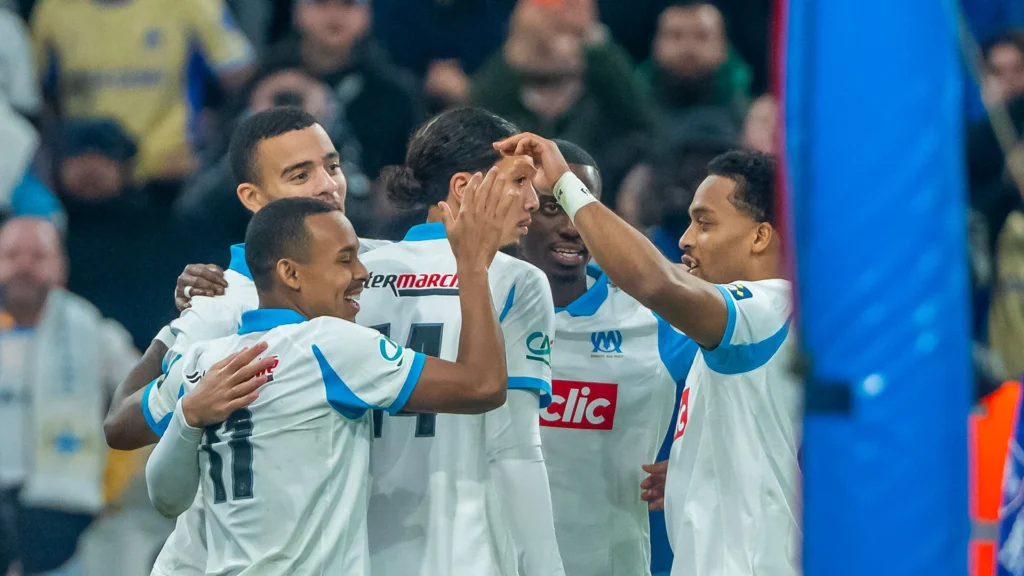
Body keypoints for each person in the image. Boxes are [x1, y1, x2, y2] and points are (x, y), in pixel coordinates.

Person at [143, 194, 517, 575]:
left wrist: (187, 416)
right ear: (290, 274)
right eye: (345, 260)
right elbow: (483, 385)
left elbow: (164, 497)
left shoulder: (201, 362)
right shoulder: (329, 346)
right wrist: (472, 266)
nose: (363, 272)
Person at [101, 106, 387, 576]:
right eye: (300, 175)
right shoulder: (225, 299)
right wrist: (181, 358)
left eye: (332, 166)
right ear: (253, 197)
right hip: (219, 562)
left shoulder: (378, 268)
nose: (327, 185)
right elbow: (120, 425)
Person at [499, 133, 801, 576]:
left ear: (759, 237)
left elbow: (657, 282)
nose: (686, 240)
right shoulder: (728, 334)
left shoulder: (769, 308)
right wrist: (691, 469)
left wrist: (564, 182)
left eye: (704, 224)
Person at [353, 107, 563, 576]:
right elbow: (515, 449)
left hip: (356, 548)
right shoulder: (515, 280)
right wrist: (545, 566)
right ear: (464, 187)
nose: (533, 201)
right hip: (462, 550)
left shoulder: (357, 275)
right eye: (519, 181)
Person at [516, 140, 695, 576]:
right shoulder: (475, 310)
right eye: (552, 208)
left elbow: (756, 390)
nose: (572, 227)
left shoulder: (655, 319)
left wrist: (705, 463)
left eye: (581, 207)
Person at [0, 217, 140, 575]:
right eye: (12, 255)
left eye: (37, 256)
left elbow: (144, 391)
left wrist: (114, 477)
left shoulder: (89, 327)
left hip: (60, 507)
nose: (24, 266)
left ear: (60, 266)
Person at [30, 0, 254, 183]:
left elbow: (241, 75)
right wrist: (57, 158)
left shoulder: (191, 4)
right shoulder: (54, 9)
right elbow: (34, 96)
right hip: (90, 176)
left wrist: (211, 146)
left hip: (169, 172)